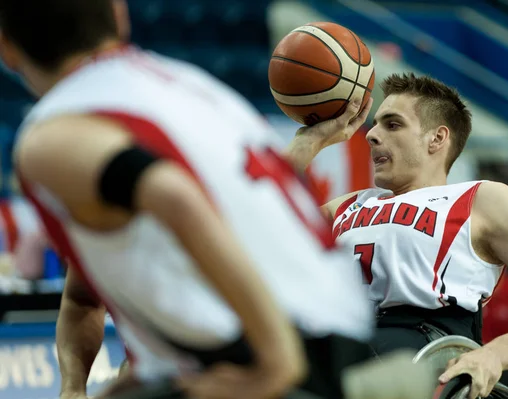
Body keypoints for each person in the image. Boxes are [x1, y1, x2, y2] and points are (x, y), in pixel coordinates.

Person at [0, 1, 395, 399]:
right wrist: (75, 388)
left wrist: (277, 359)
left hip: (274, 352)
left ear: (6, 48)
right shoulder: (184, 85)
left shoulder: (52, 137)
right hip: (347, 339)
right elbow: (85, 292)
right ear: (120, 16)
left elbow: (175, 197)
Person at [284, 73, 508, 399]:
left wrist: (494, 355)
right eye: (374, 124)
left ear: (437, 138)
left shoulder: (482, 200)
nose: (371, 135)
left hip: (424, 356)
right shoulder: (343, 206)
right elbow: (253, 229)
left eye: (392, 124)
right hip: (337, 351)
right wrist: (309, 142)